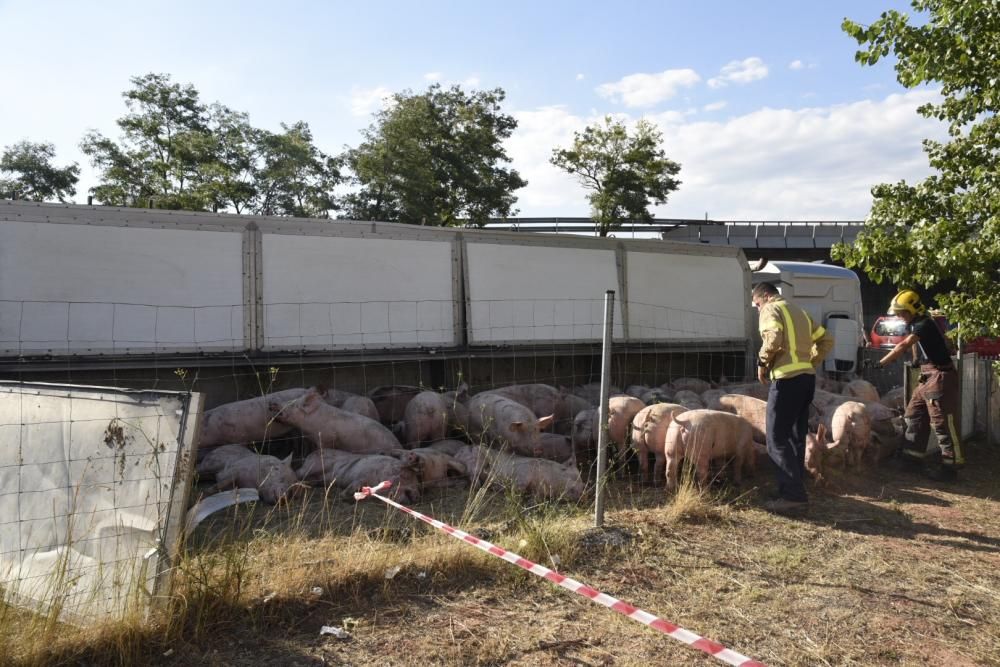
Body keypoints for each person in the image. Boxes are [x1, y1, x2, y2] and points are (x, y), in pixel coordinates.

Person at [753, 282, 833, 514]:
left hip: (786, 381)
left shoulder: (771, 309)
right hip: (806, 380)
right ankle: (797, 487)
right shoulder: (801, 312)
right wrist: (811, 362)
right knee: (797, 436)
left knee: (776, 439)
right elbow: (827, 340)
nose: (758, 309)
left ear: (766, 297)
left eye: (757, 304)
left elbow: (774, 336)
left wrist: (762, 362)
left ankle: (793, 497)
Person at [876, 289, 963, 481]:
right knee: (913, 416)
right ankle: (911, 460)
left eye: (901, 312)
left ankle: (950, 469)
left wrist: (881, 363)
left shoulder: (924, 324)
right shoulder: (916, 324)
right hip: (927, 376)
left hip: (940, 376)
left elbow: (903, 345)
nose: (899, 316)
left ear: (911, 310)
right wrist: (916, 361)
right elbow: (915, 346)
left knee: (942, 423)